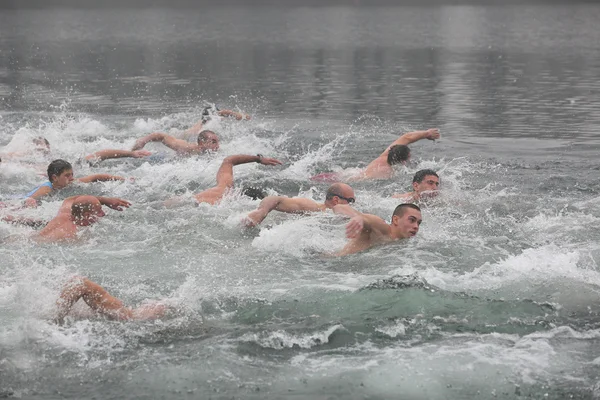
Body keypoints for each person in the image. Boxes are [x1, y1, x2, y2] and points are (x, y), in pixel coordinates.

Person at [311, 128, 440, 182]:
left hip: (348, 173)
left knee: (315, 178)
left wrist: (426, 133)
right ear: (403, 161)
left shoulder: (385, 155)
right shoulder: (387, 172)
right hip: (350, 180)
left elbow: (407, 137)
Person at [54, 276, 167, 324]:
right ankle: (56, 315)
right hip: (124, 313)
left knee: (79, 283)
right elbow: (80, 284)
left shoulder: (124, 314)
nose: (149, 306)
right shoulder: (121, 312)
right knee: (80, 283)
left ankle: (56, 315)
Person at [243, 183, 357, 227]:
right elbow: (275, 199)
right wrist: (261, 211)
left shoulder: (342, 217)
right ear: (336, 200)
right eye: (350, 200)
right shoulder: (314, 208)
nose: (351, 205)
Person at [187, 154, 282, 205]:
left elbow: (229, 160)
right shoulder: (229, 206)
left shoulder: (224, 188)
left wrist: (259, 159)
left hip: (183, 201)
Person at [335, 203, 422, 256]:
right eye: (412, 220)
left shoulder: (405, 243)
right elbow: (340, 207)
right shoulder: (382, 229)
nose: (416, 226)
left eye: (419, 223)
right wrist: (358, 217)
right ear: (396, 220)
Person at [34, 195, 130, 243]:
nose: (103, 213)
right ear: (87, 215)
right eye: (99, 210)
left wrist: (105, 200)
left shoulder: (65, 212)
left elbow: (70, 199)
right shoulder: (74, 235)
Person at [25, 159, 126, 205]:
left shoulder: (69, 182)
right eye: (67, 175)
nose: (72, 178)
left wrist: (121, 179)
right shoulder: (46, 189)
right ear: (55, 178)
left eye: (72, 174)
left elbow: (95, 177)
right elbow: (28, 201)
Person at [131, 130, 220, 156]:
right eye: (213, 142)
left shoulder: (216, 153)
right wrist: (143, 140)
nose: (217, 146)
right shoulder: (187, 147)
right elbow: (161, 136)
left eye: (217, 142)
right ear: (202, 143)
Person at [83, 149, 152, 165]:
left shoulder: (80, 165)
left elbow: (100, 154)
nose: (71, 177)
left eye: (72, 174)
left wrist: (131, 153)